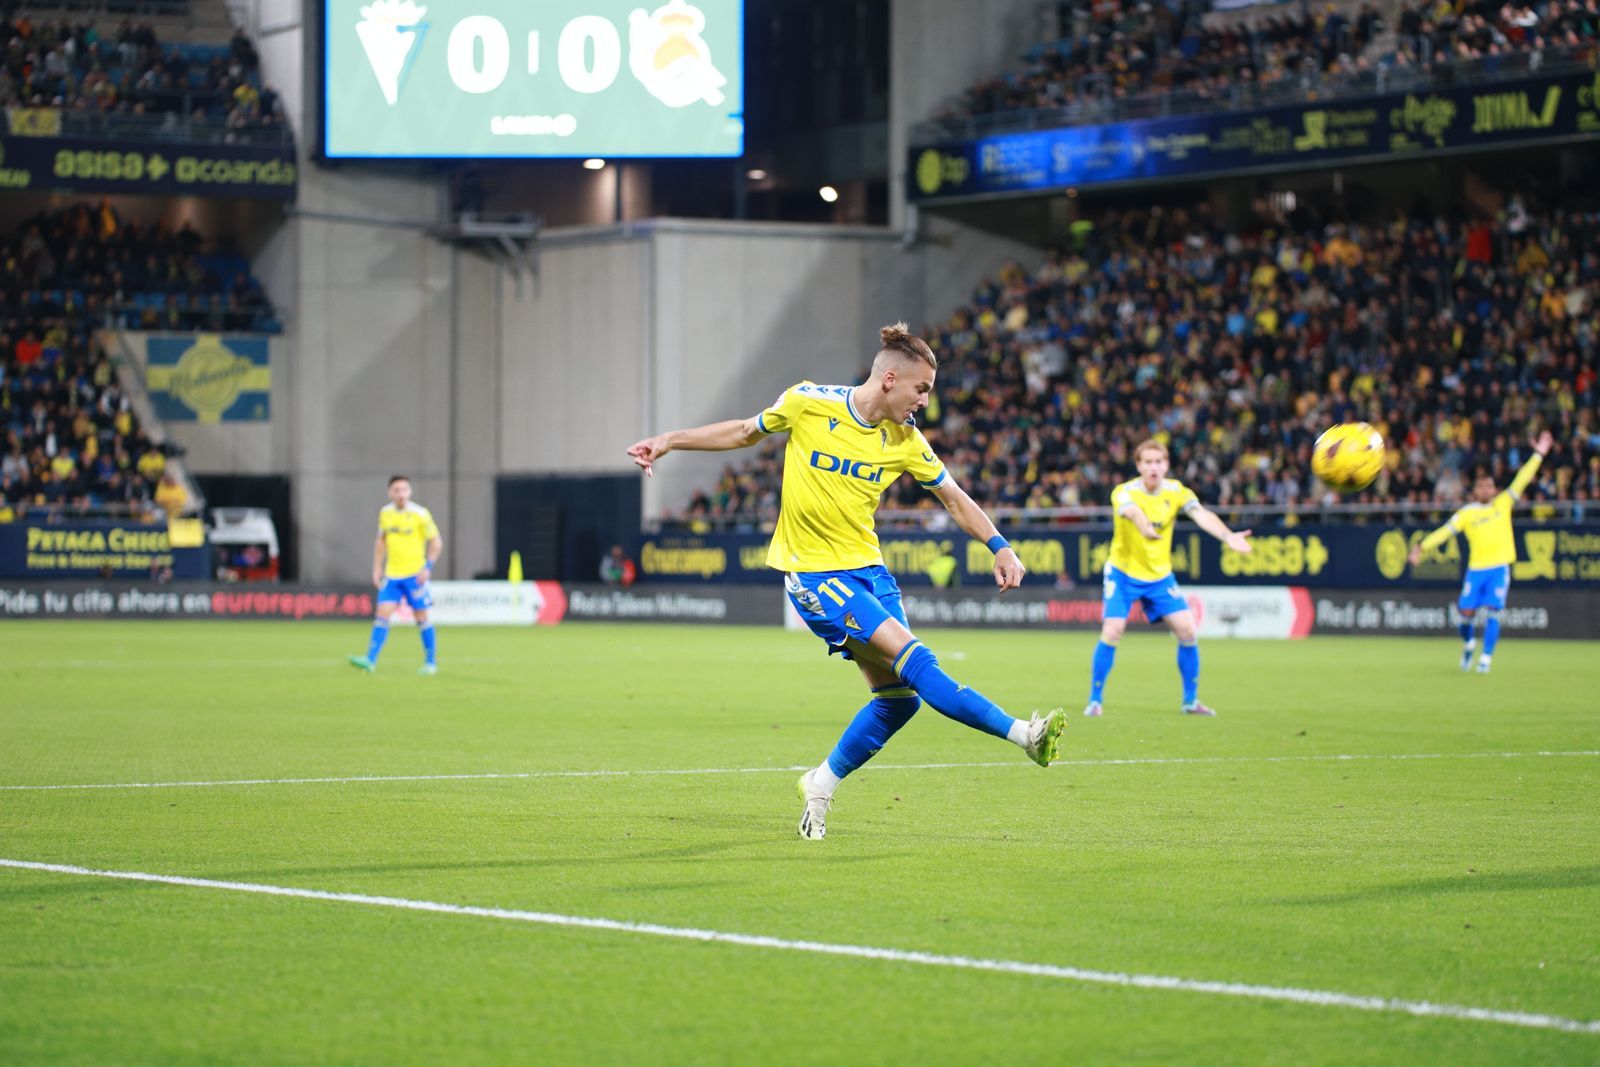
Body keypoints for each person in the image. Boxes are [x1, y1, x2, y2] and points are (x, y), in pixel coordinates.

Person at [627, 323, 1066, 841]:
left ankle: (819, 784)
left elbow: (954, 498)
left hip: (870, 573)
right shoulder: (809, 402)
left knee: (899, 701)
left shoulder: (905, 440)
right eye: (921, 389)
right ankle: (1024, 734)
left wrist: (1000, 545)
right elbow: (745, 432)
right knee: (919, 662)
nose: (925, 402)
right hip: (816, 575)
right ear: (889, 379)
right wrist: (669, 441)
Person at [1085, 439, 1254, 718]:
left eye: (1158, 461)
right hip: (1123, 573)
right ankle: (1094, 701)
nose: (1153, 467)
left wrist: (1227, 536)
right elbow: (1131, 511)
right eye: (1148, 462)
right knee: (1113, 630)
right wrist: (1144, 527)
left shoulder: (1177, 491)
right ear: (1139, 466)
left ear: (1166, 465)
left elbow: (1201, 514)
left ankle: (1190, 701)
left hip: (1159, 577)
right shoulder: (1123, 491)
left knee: (1187, 631)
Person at [1408, 432, 1553, 673]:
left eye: (1489, 486)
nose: (1485, 489)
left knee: (1494, 613)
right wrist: (1421, 547)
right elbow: (1445, 532)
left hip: (1499, 568)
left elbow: (1523, 478)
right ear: (1474, 491)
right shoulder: (1467, 513)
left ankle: (1485, 659)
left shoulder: (1503, 503)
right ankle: (1468, 644)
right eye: (1481, 486)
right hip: (1476, 570)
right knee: (1465, 614)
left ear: (1495, 489)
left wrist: (1538, 454)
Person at [349, 475, 442, 676]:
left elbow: (436, 542)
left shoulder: (420, 514)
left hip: (415, 575)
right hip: (392, 575)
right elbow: (380, 542)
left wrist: (427, 567)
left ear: (410, 491)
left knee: (422, 617)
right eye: (397, 490)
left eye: (404, 489)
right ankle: (370, 660)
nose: (401, 494)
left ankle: (431, 663)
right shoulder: (385, 513)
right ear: (390, 493)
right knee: (382, 614)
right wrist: (377, 568)